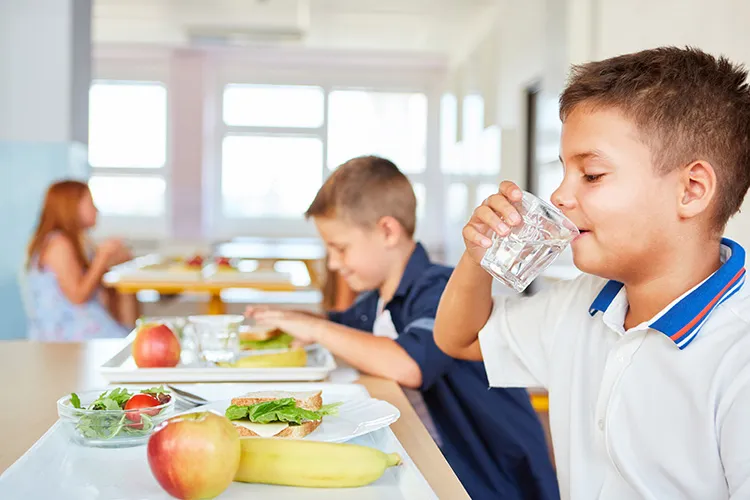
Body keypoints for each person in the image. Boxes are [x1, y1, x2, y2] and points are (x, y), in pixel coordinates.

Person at [434, 47, 750, 499]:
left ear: (692, 190)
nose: (559, 195)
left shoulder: (739, 355)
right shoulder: (579, 303)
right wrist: (477, 255)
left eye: (593, 174)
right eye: (563, 171)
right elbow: (458, 339)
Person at [248, 156, 559, 499]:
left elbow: (410, 364)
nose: (334, 264)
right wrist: (293, 320)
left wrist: (317, 329)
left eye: (339, 248)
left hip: (486, 479)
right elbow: (343, 330)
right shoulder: (375, 301)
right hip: (425, 457)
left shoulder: (440, 288)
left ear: (387, 231)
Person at [25, 180, 134, 341]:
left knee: (129, 331)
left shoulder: (80, 242)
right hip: (66, 332)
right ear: (72, 207)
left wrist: (111, 260)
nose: (96, 209)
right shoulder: (58, 244)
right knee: (126, 342)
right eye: (90, 203)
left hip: (83, 324)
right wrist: (102, 258)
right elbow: (77, 297)